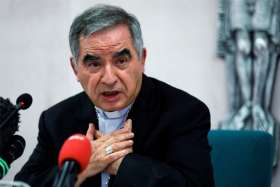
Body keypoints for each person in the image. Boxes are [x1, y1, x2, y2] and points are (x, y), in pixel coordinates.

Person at [15, 4, 214, 187]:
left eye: (121, 61)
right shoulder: (56, 120)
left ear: (142, 59)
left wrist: (119, 162)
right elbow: (25, 183)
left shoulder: (184, 112)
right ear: (75, 68)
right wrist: (83, 168)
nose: (109, 79)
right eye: (94, 64)